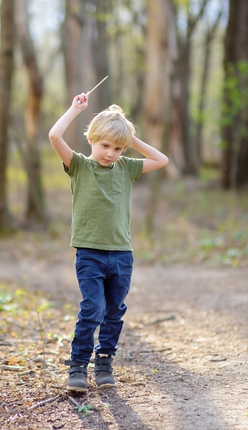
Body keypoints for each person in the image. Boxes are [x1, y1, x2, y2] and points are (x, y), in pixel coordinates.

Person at [48, 92, 169, 393]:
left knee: (114, 311)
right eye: (105, 145)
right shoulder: (78, 165)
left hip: (122, 254)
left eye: (117, 148)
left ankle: (104, 364)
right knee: (93, 308)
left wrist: (129, 138)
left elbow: (162, 160)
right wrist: (75, 110)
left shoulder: (126, 167)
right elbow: (54, 135)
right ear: (91, 139)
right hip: (90, 253)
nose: (111, 153)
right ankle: (78, 367)